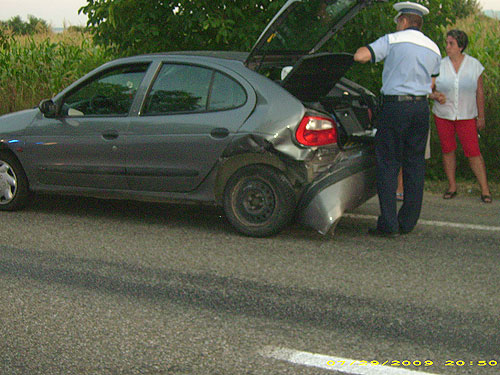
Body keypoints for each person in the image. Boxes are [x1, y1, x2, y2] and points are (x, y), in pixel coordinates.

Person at [354, 2, 441, 237]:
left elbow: (361, 56)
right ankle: (407, 222)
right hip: (421, 108)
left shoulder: (392, 40)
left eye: (397, 22)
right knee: (414, 164)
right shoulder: (434, 48)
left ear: (403, 21)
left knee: (389, 163)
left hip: (395, 108)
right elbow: (432, 82)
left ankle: (388, 224)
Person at [430, 29, 492, 203]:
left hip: (466, 115)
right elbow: (428, 87)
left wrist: (481, 116)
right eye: (447, 43)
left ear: (461, 46)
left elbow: (479, 92)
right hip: (444, 115)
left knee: (473, 152)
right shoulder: (439, 65)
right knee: (448, 150)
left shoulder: (474, 66)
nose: (447, 47)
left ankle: (485, 189)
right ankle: (452, 186)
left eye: (451, 44)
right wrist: (434, 96)